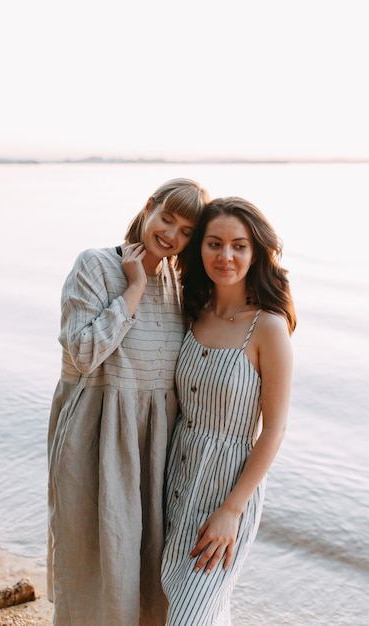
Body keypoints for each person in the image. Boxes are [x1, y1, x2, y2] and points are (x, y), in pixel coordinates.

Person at [47, 178, 210, 626]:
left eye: (186, 232)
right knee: (97, 564)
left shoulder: (182, 284)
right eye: (167, 219)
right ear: (149, 207)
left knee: (149, 569)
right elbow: (81, 354)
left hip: (157, 447)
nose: (171, 235)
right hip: (97, 434)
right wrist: (133, 290)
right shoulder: (95, 265)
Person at [161, 196, 296, 625]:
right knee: (184, 605)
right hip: (176, 481)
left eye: (239, 245)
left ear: (255, 252)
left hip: (227, 492)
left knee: (191, 615)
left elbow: (273, 430)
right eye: (214, 243)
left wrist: (232, 511)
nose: (226, 256)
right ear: (199, 248)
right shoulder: (190, 311)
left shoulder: (269, 327)